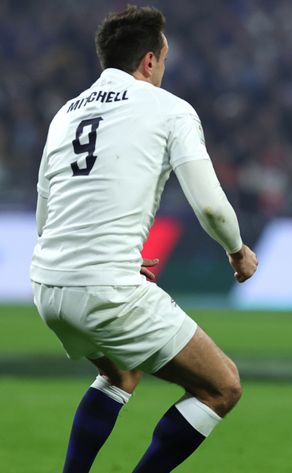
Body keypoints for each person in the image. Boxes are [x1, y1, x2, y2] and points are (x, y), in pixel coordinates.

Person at [30, 6, 258, 472]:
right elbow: (211, 205)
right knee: (222, 386)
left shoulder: (64, 116)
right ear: (150, 61)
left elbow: (45, 215)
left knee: (120, 372)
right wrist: (237, 251)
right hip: (104, 289)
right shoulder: (169, 109)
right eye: (165, 60)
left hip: (48, 286)